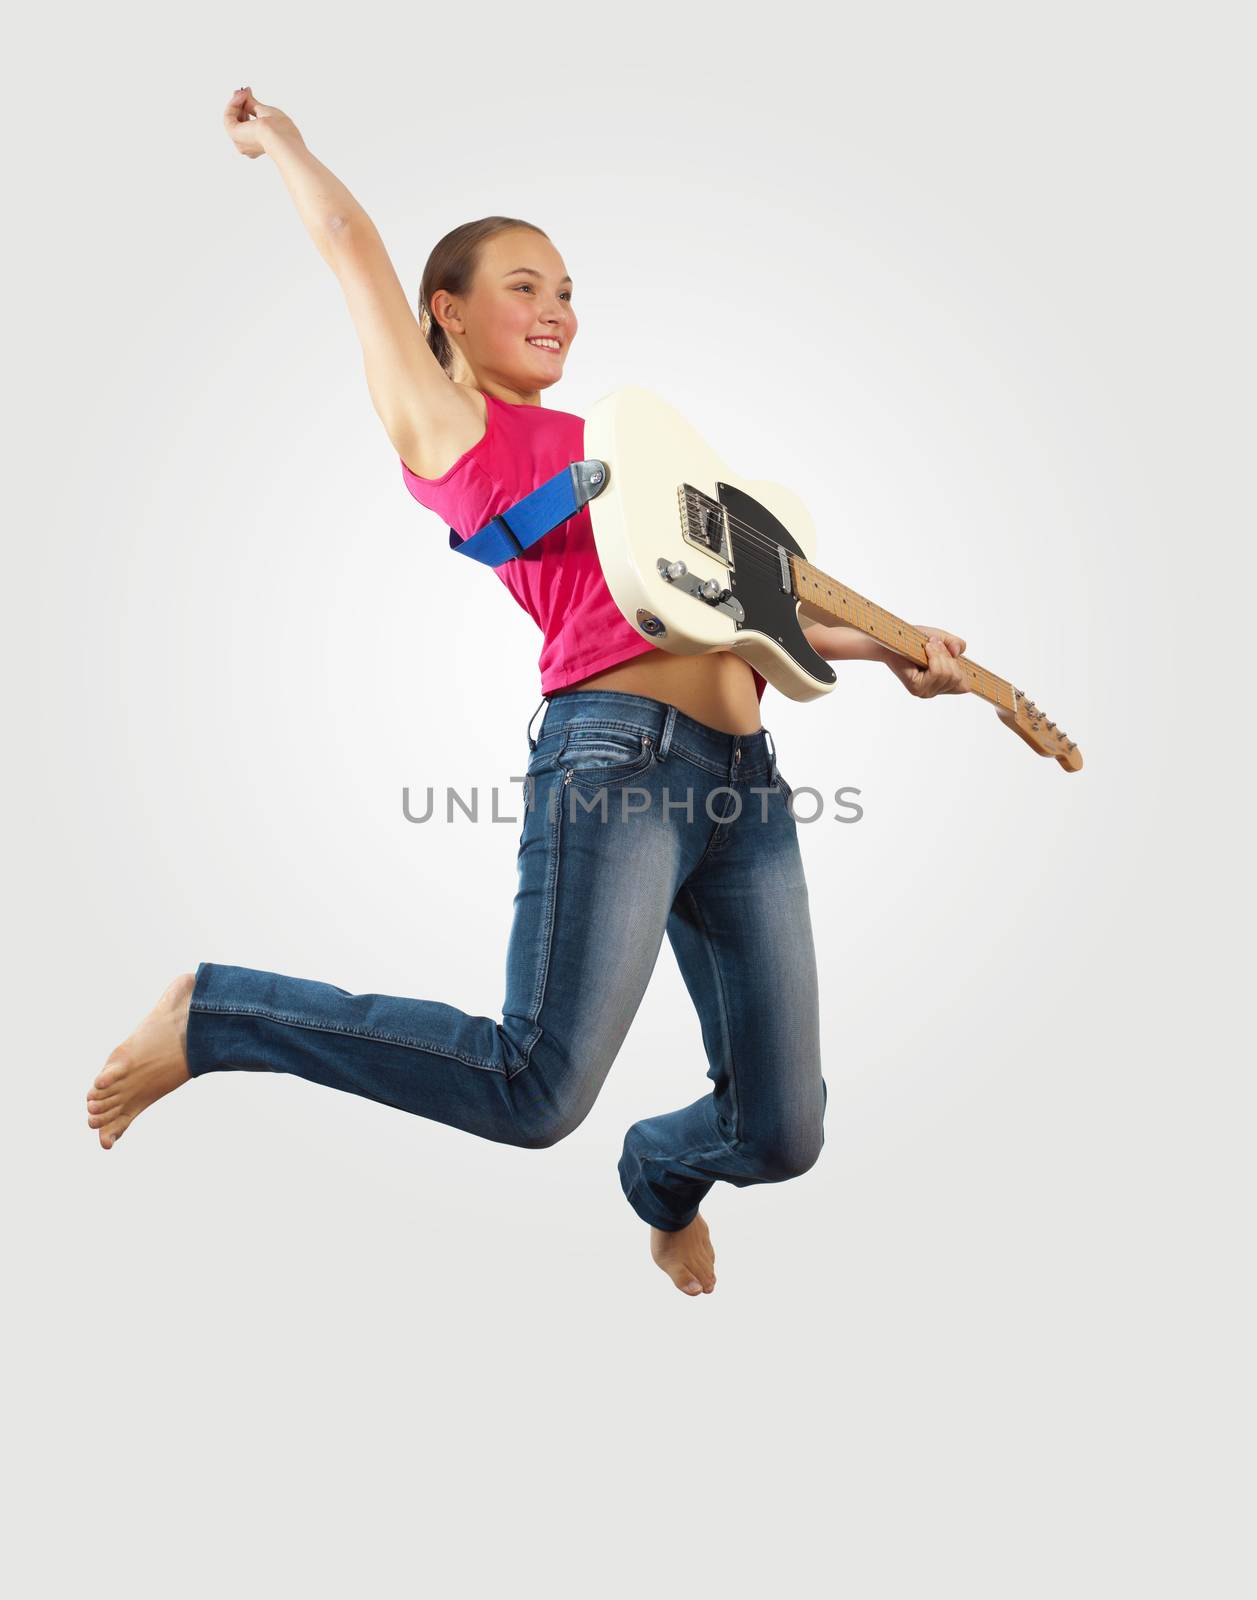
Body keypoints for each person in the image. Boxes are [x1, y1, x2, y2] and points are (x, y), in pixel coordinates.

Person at [85, 88, 971, 1297]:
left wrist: (898, 649)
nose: (556, 310)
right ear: (447, 310)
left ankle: (661, 1180)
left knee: (783, 1132)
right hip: (618, 763)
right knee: (532, 1087)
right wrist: (282, 143)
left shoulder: (633, 455)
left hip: (744, 785)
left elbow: (756, 617)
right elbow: (350, 248)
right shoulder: (454, 428)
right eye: (523, 285)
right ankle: (217, 1016)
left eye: (565, 291)